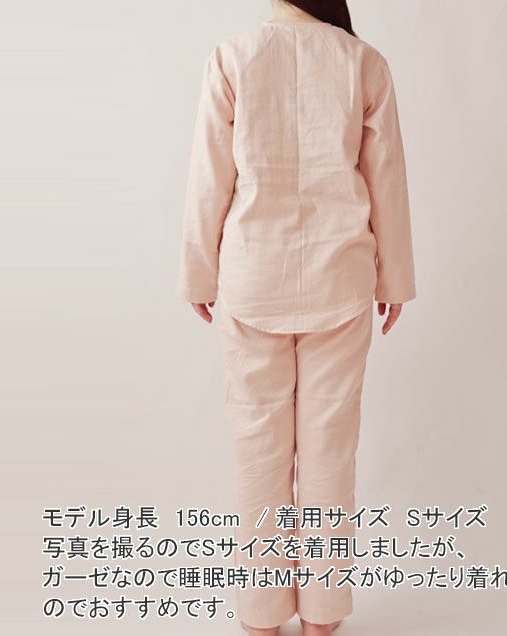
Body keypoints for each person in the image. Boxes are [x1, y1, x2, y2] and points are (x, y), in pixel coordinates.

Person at [176, 1, 416, 634]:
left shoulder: (232, 57)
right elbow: (386, 178)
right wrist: (394, 278)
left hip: (253, 277)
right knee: (330, 453)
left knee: (257, 452)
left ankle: (261, 616)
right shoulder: (363, 62)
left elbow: (209, 176)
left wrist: (198, 272)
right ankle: (322, 616)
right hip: (341, 276)